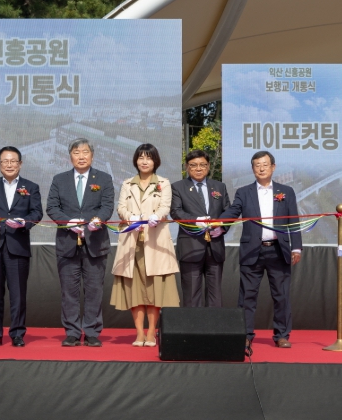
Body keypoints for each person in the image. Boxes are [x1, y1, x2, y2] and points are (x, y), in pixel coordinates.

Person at [219, 151, 301, 349]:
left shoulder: (286, 191)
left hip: (279, 250)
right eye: (257, 165)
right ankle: (245, 335)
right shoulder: (243, 192)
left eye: (265, 164)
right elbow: (233, 211)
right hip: (252, 251)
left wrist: (296, 247)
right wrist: (217, 221)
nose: (261, 168)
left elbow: (293, 221)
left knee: (281, 295)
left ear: (273, 167)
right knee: (247, 296)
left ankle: (282, 335)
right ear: (253, 168)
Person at [46, 138, 114, 347]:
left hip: (95, 243)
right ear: (70, 157)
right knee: (69, 291)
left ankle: (92, 331)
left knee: (94, 290)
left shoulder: (103, 178)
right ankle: (72, 332)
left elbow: (107, 206)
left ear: (92, 155)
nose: (81, 156)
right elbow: (52, 207)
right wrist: (68, 222)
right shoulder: (60, 179)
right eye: (76, 152)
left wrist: (97, 220)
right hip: (67, 243)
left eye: (85, 152)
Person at [110, 143, 180, 347]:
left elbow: (165, 206)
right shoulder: (127, 183)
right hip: (132, 243)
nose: (144, 161)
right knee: (135, 290)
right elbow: (121, 207)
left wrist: (156, 217)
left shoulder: (164, 183)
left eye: (148, 158)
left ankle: (151, 332)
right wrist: (129, 216)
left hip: (155, 242)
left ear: (155, 161)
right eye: (141, 157)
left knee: (155, 289)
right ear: (135, 161)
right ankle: (139, 332)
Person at [0, 146, 43, 347]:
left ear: (20, 164)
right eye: (5, 161)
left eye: (13, 161)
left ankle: (17, 334)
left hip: (18, 245)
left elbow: (37, 213)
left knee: (18, 294)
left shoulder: (31, 186)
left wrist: (24, 222)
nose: (9, 164)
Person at [171, 150, 231, 307]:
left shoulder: (219, 186)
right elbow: (176, 212)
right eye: (194, 165)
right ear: (187, 167)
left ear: (209, 166)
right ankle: (193, 323)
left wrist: (222, 228)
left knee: (215, 295)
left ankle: (214, 323)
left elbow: (228, 212)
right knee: (192, 295)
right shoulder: (178, 187)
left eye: (203, 165)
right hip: (191, 247)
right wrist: (196, 221)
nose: (198, 168)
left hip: (215, 247)